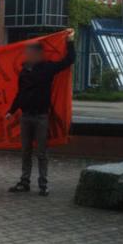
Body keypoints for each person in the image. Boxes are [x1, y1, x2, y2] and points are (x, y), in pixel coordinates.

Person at [6, 29, 75, 197]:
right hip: (26, 116)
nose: (27, 55)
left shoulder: (48, 68)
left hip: (41, 116)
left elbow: (69, 60)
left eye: (30, 52)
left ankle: (43, 184)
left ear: (38, 54)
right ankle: (25, 182)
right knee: (26, 151)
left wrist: (70, 42)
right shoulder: (24, 71)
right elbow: (20, 93)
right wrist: (12, 110)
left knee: (42, 152)